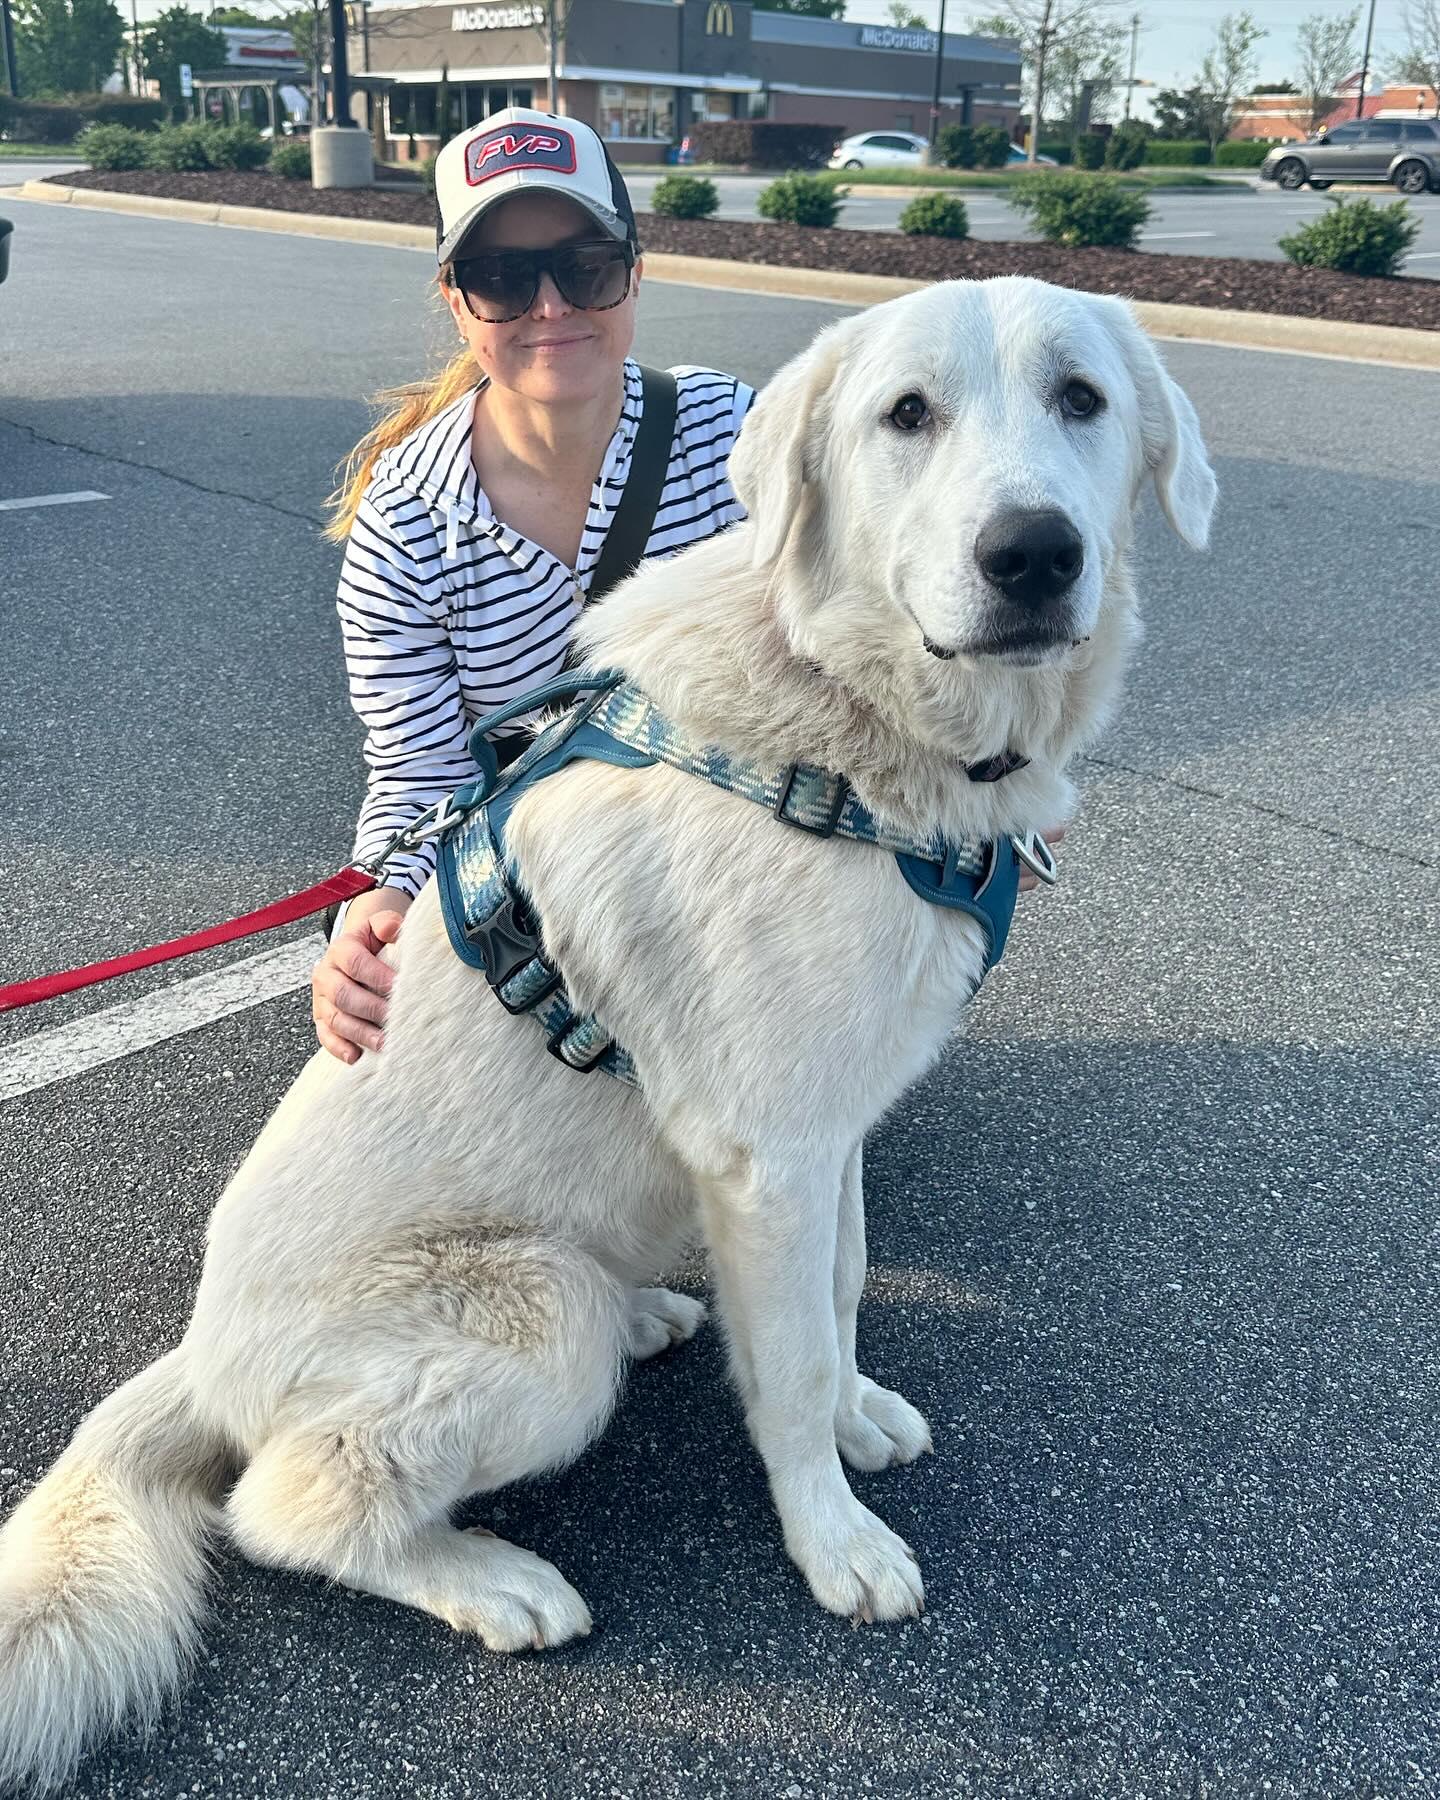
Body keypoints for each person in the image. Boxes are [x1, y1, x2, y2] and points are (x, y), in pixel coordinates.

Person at [311, 106, 1061, 1063]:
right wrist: (378, 898)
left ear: (633, 268)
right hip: (543, 893)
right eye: (501, 278)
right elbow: (420, 777)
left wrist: (996, 780)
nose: (550, 306)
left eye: (584, 265)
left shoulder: (731, 436)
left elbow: (868, 628)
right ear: (457, 302)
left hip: (733, 848)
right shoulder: (407, 521)